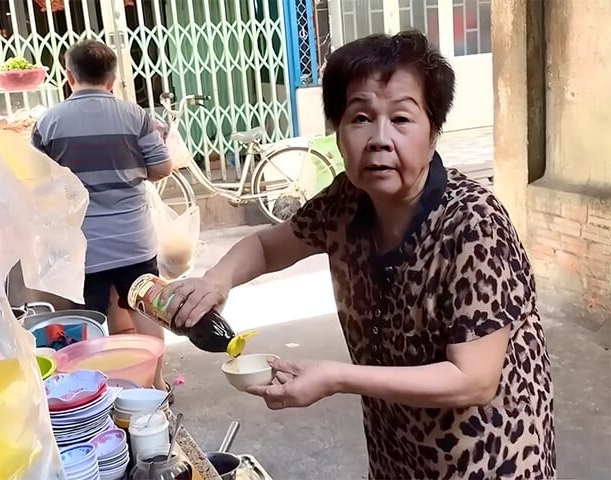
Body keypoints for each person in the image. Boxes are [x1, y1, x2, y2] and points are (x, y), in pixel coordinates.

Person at [158, 31, 556, 479]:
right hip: (396, 454)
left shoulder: (474, 224)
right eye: (361, 117)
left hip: (488, 457)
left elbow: (473, 379)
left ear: (433, 133)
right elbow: (267, 246)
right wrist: (217, 280)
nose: (380, 138)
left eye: (401, 118)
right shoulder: (346, 200)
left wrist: (337, 377)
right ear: (338, 132)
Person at [31, 39, 172, 393]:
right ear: (111, 79)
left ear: (69, 76)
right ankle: (156, 384)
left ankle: (92, 393)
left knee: (88, 322)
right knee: (145, 310)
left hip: (83, 246)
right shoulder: (136, 116)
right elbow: (162, 167)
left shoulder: (48, 122)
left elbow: (37, 180)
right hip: (133, 240)